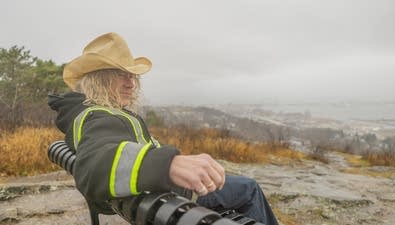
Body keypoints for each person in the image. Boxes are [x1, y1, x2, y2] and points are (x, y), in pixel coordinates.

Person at [48, 32, 279, 225]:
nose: (130, 83)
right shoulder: (98, 115)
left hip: (155, 200)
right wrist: (167, 164)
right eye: (120, 75)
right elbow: (94, 164)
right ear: (97, 79)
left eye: (132, 76)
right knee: (248, 188)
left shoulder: (90, 113)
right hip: (170, 198)